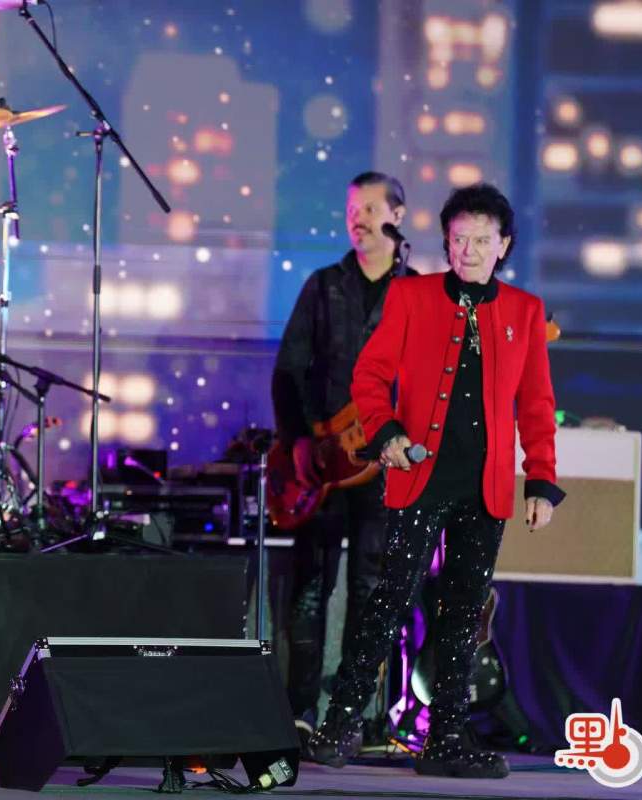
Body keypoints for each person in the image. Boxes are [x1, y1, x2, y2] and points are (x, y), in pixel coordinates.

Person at [306, 183, 564, 778]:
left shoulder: (525, 311)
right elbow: (370, 376)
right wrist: (387, 432)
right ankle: (339, 723)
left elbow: (536, 404)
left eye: (481, 240)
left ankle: (445, 737)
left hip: (486, 485)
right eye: (458, 239)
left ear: (503, 245)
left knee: (466, 610)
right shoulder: (411, 296)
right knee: (390, 596)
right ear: (446, 243)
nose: (468, 251)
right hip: (421, 475)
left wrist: (541, 480)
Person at [271, 171, 410, 740]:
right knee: (310, 586)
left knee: (371, 587)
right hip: (324, 464)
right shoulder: (323, 286)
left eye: (370, 208)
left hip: (388, 466)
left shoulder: (419, 293)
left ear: (397, 217)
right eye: (352, 209)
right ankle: (298, 711)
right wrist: (301, 440)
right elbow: (288, 370)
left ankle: (353, 715)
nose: (358, 219)